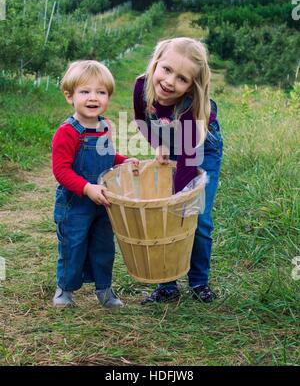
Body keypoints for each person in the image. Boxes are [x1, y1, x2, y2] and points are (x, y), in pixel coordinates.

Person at [133, 37, 223, 304]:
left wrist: (180, 200)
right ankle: (167, 286)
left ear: (191, 86)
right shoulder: (142, 86)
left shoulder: (189, 108)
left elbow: (188, 158)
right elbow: (141, 120)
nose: (170, 81)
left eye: (182, 79)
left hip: (202, 151)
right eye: (167, 69)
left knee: (197, 216)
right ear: (156, 62)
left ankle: (198, 281)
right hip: (174, 146)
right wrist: (157, 143)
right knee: (166, 218)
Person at [52, 60, 137, 309]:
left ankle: (104, 289)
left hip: (103, 202)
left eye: (101, 92)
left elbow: (108, 156)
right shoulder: (67, 132)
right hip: (75, 204)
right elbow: (61, 170)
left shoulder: (105, 126)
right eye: (85, 92)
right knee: (73, 245)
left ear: (108, 97)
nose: (93, 98)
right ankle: (65, 288)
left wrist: (124, 161)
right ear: (70, 96)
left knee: (103, 246)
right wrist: (86, 188)